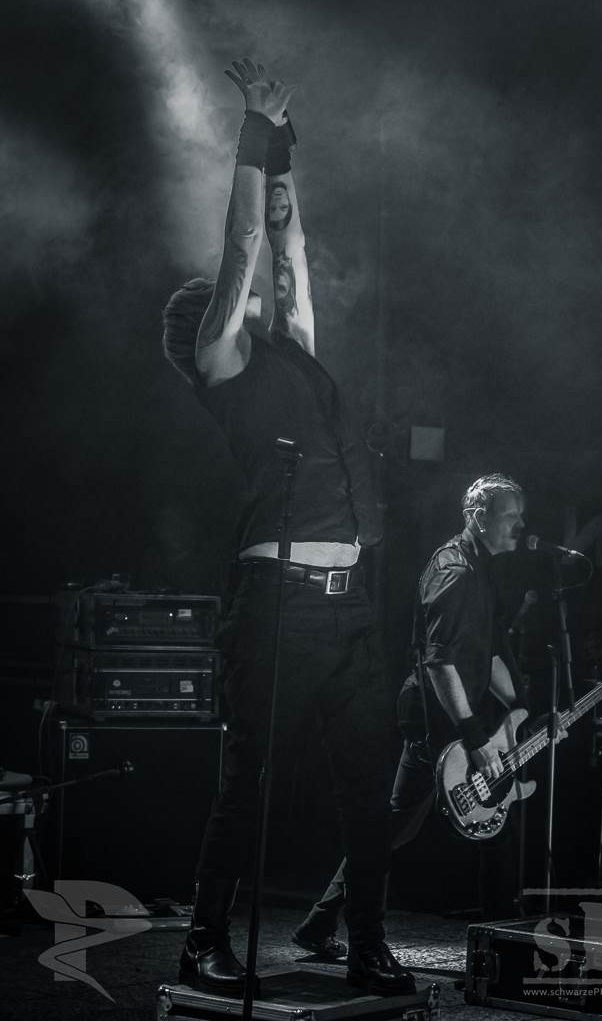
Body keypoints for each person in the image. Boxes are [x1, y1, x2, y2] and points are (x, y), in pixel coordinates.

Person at [161, 59, 414, 998]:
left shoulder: (297, 356)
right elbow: (242, 250)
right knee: (250, 780)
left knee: (368, 782)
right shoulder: (223, 363)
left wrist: (284, 144)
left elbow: (287, 248)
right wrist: (249, 135)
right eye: (240, 300)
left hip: (348, 610)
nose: (264, 296)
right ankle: (202, 940)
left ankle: (367, 943)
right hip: (276, 606)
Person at [293, 472, 530, 949]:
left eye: (520, 517)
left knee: (403, 828)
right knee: (401, 828)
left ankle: (320, 922)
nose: (520, 526)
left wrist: (521, 707)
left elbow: (485, 655)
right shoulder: (455, 572)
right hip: (435, 717)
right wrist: (473, 735)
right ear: (478, 517)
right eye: (510, 516)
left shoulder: (482, 568)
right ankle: (500, 943)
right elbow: (438, 662)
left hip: (454, 717)